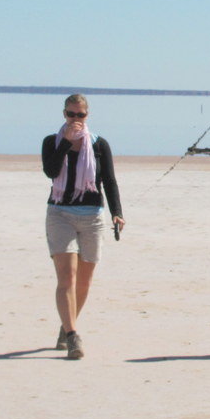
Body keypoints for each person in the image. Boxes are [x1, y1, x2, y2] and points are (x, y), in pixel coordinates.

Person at [42, 94, 125, 359]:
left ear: (87, 115)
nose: (76, 119)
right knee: (67, 276)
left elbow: (109, 180)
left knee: (84, 281)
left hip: (92, 216)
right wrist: (66, 142)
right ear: (64, 114)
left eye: (80, 115)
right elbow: (51, 171)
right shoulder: (52, 142)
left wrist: (117, 213)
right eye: (71, 114)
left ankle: (67, 324)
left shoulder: (99, 144)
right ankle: (72, 335)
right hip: (60, 213)